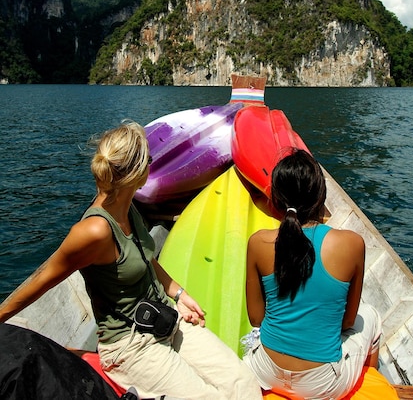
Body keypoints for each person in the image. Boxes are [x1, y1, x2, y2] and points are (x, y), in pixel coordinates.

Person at [0, 120, 262, 400]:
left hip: (166, 319)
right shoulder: (94, 231)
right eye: (149, 159)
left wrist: (178, 292)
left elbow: (145, 258)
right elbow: (43, 278)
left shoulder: (129, 207)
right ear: (139, 171)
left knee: (244, 385)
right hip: (131, 345)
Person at [243, 148, 381, 400]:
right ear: (321, 197)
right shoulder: (351, 244)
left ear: (275, 200)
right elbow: (348, 323)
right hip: (321, 385)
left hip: (264, 371)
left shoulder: (257, 242)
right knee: (371, 315)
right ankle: (372, 387)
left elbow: (256, 319)